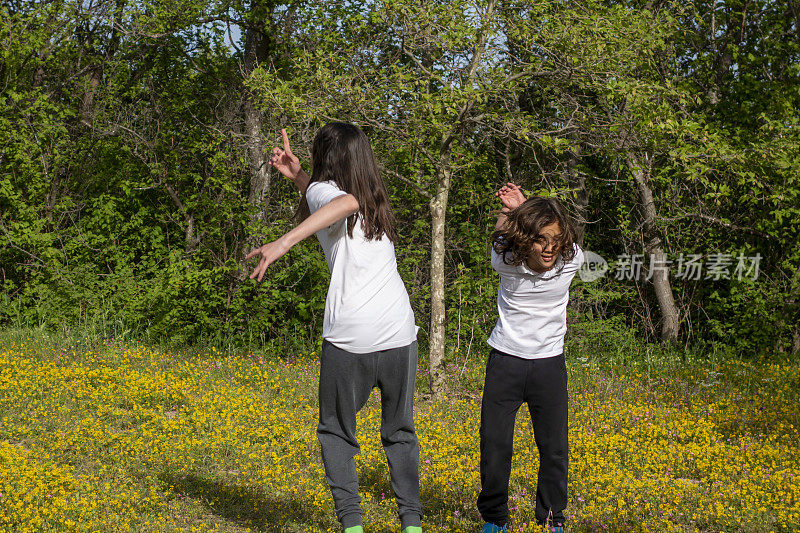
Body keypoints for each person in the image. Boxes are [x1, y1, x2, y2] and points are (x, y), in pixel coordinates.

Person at [247, 123, 423, 533]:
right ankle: (412, 524)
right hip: (399, 332)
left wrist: (283, 242)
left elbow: (341, 202)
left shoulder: (337, 194)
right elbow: (333, 198)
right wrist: (300, 179)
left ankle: (353, 525)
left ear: (325, 157)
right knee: (399, 430)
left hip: (351, 337)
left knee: (337, 432)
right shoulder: (375, 200)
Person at [477, 183, 584, 533]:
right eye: (541, 240)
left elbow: (517, 234)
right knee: (496, 446)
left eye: (555, 239)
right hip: (505, 362)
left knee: (554, 449)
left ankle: (553, 519)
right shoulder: (506, 262)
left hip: (549, 366)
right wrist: (513, 212)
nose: (549, 248)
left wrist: (520, 210)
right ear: (525, 239)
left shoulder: (572, 260)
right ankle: (495, 519)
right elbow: (502, 237)